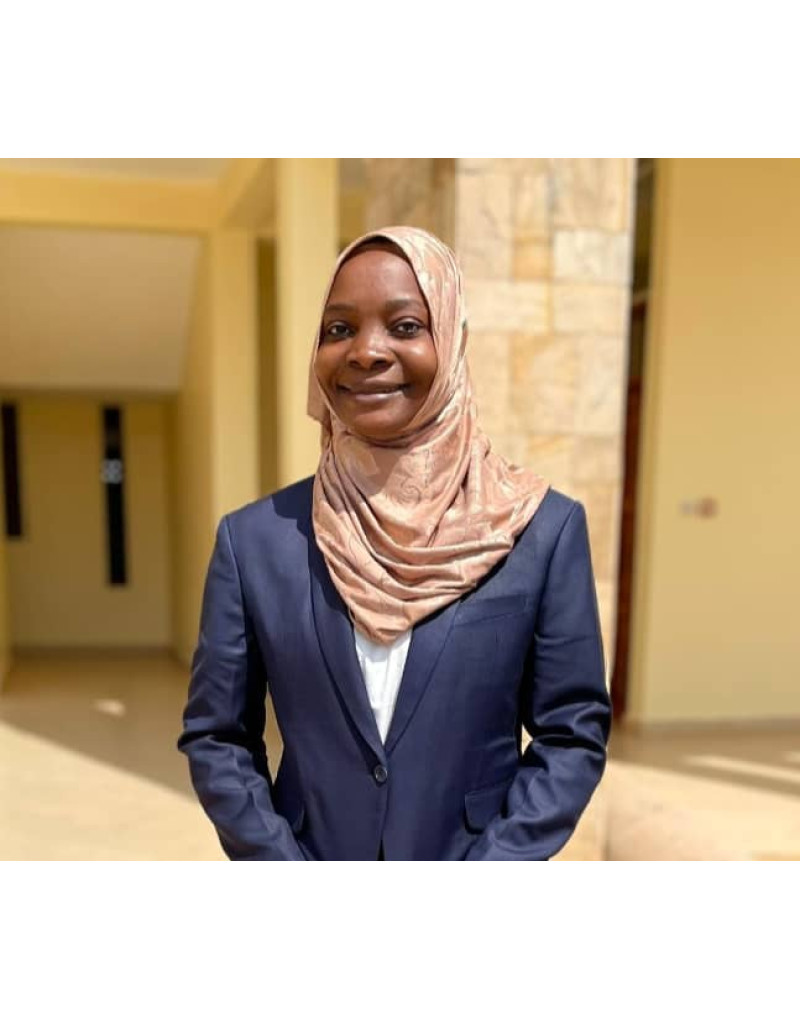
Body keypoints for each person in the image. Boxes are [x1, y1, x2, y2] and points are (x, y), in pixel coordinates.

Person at [177, 225, 611, 861]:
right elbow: (218, 736)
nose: (365, 351)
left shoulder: (537, 529)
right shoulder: (255, 542)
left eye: (405, 326)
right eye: (339, 328)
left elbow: (570, 737)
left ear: (452, 340)